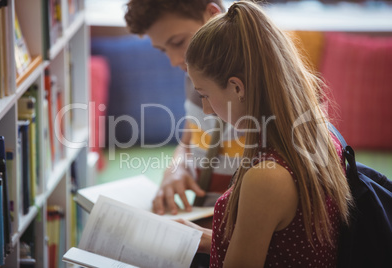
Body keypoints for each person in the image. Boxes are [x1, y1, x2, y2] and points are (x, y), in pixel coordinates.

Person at [180, 1, 353, 267]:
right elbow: (279, 244)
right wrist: (204, 239)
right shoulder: (320, 135)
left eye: (205, 95)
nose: (206, 109)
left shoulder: (266, 178)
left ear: (237, 87)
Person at [124, 0, 244, 216]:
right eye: (163, 50)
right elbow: (189, 139)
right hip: (207, 215)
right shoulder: (194, 75)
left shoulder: (255, 84)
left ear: (212, 15)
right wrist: (176, 166)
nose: (174, 60)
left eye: (178, 42)